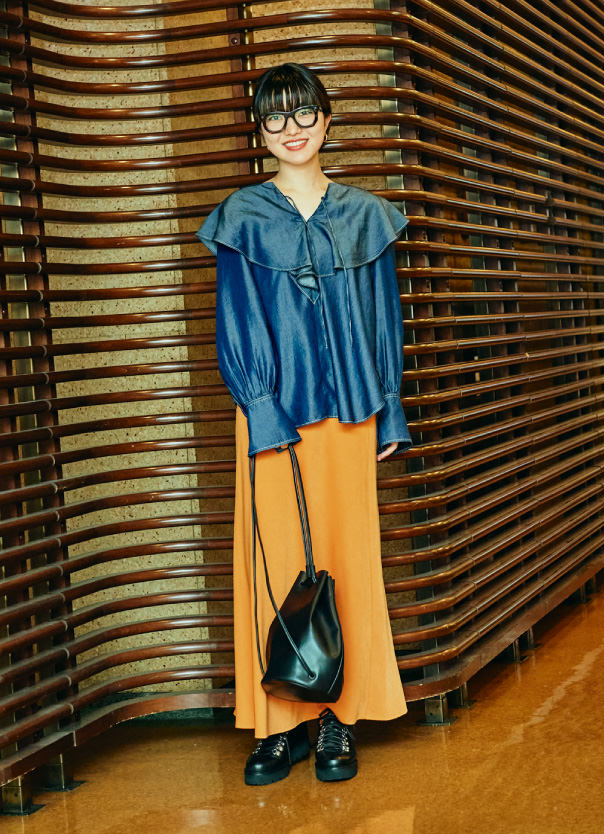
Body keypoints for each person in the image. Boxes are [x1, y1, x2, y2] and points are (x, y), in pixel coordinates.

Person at [197, 62, 412, 785]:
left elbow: (385, 319)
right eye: (275, 117)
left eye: (303, 113)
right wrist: (260, 406)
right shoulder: (241, 215)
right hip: (272, 413)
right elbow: (234, 319)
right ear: (260, 131)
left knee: (348, 559)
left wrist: (390, 410)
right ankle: (277, 724)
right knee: (275, 560)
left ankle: (337, 720)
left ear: (326, 119)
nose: (291, 129)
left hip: (351, 411)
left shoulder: (366, 214)